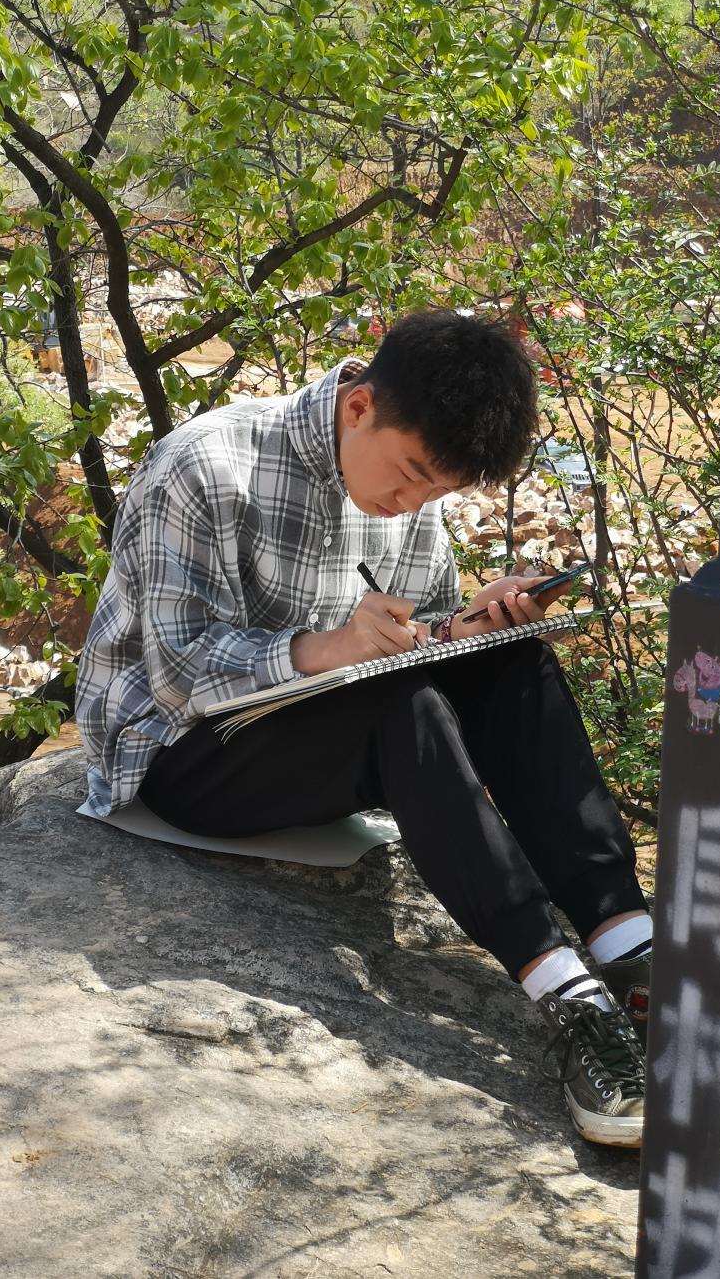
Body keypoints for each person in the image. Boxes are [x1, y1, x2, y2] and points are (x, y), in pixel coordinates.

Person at [76, 310, 653, 1148]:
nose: (412, 503)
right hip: (173, 751)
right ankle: (569, 997)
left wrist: (467, 626)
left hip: (318, 722)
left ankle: (631, 949)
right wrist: (330, 646)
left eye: (437, 492)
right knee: (399, 705)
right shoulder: (202, 464)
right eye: (412, 476)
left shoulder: (403, 478)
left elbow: (413, 637)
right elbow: (179, 674)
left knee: (512, 662)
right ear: (358, 407)